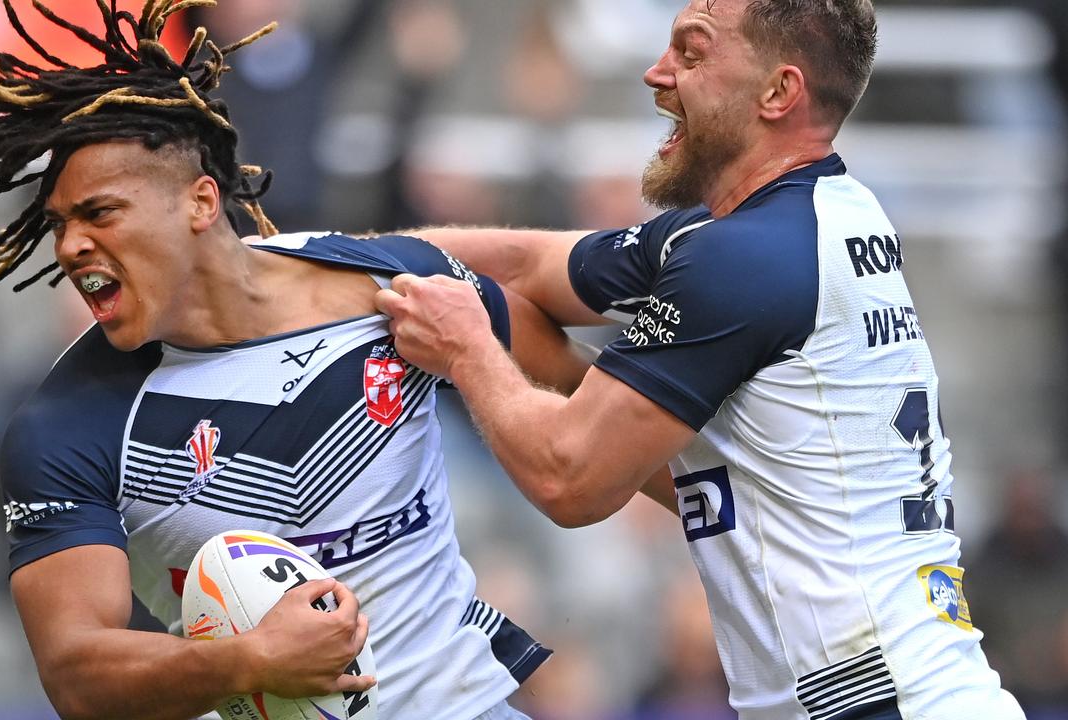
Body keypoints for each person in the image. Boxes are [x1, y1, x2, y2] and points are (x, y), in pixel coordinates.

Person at [0, 2, 585, 718]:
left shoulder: (378, 287)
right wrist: (248, 662)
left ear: (199, 202)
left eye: (99, 214)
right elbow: (74, 673)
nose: (69, 247)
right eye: (58, 224)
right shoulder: (65, 421)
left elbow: (577, 347)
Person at [374, 1, 1028, 718]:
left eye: (691, 53)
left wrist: (467, 344)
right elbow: (528, 265)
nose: (658, 75)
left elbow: (569, 479)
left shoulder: (744, 258)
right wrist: (327, 260)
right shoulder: (821, 219)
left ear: (779, 93)